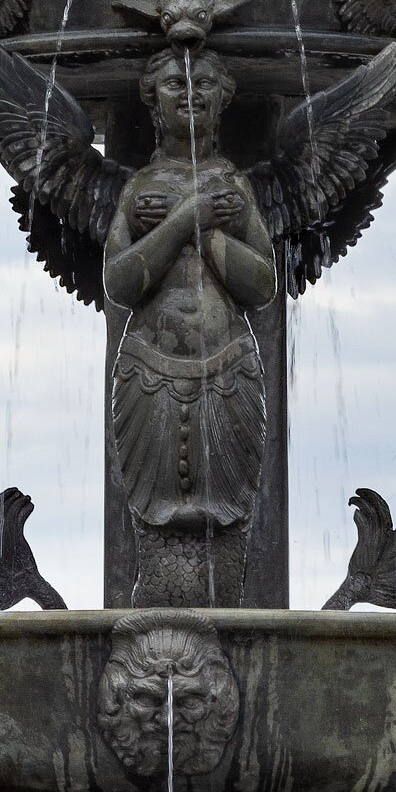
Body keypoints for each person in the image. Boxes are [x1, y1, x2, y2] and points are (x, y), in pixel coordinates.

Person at [104, 45, 279, 605]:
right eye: (175, 84)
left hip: (227, 370)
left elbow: (261, 285)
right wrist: (184, 218)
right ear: (152, 101)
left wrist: (202, 227)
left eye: (202, 83)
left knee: (228, 527)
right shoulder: (138, 190)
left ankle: (226, 629)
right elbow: (121, 284)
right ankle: (156, 646)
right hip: (150, 372)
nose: (190, 93)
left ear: (223, 99)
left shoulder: (234, 190)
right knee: (155, 529)